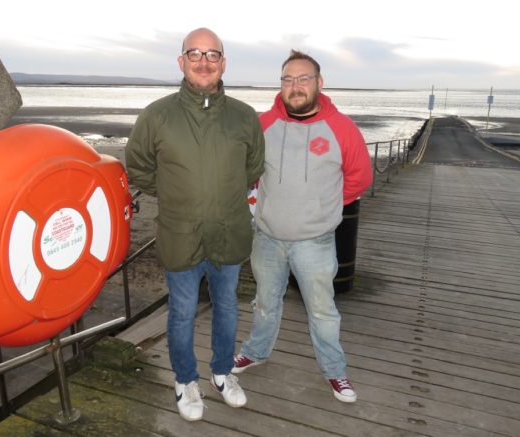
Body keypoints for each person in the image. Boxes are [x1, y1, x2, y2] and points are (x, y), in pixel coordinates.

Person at [125, 28, 265, 421]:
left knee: (227, 309)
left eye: (213, 55)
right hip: (179, 235)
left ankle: (222, 373)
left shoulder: (243, 116)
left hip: (229, 234)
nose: (204, 62)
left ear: (223, 63)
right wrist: (174, 194)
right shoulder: (157, 115)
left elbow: (253, 167)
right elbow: (137, 166)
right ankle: (185, 380)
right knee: (182, 312)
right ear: (181, 61)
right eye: (195, 54)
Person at [232, 50, 372, 403]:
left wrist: (321, 209)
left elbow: (358, 179)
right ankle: (256, 351)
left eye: (303, 78)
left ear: (319, 83)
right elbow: (247, 171)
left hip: (315, 242)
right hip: (266, 239)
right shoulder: (263, 124)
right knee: (264, 303)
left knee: (323, 312)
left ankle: (335, 371)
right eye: (288, 79)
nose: (295, 86)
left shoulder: (342, 128)